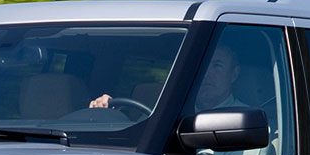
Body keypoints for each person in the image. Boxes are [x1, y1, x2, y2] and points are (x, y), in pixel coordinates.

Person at [89, 44, 244, 111]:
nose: (206, 74)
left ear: (234, 74)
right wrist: (108, 113)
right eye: (202, 66)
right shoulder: (172, 111)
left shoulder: (246, 122)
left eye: (217, 66)